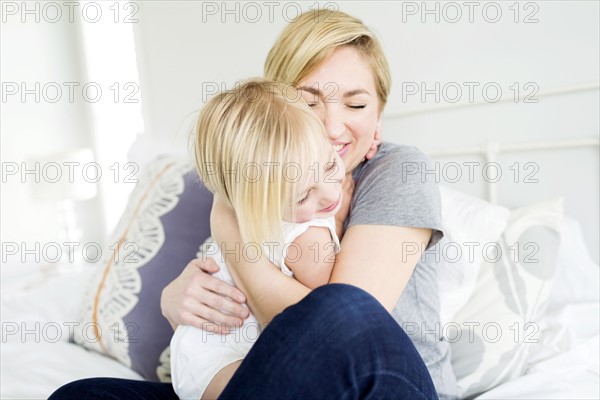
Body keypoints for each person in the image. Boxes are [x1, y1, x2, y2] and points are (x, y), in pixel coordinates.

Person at [49, 9, 457, 400]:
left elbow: (336, 331)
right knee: (83, 394)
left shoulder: (399, 170)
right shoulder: (260, 180)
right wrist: (175, 301)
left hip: (386, 385)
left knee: (343, 308)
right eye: (309, 102)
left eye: (356, 104)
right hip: (273, 378)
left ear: (379, 116)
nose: (333, 127)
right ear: (276, 111)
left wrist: (229, 232)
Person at [171, 79, 347, 399]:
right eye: (303, 195)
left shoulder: (259, 217)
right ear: (257, 202)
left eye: (330, 164)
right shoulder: (308, 239)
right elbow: (330, 317)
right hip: (229, 361)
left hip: (197, 358)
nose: (328, 193)